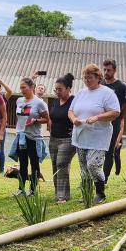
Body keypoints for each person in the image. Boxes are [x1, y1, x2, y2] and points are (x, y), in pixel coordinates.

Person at [69, 64, 121, 204]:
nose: (87, 80)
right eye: (85, 78)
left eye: (90, 78)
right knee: (84, 166)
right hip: (81, 134)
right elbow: (71, 110)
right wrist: (74, 119)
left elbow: (116, 112)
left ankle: (100, 193)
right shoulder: (81, 93)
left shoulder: (107, 93)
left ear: (98, 77)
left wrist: (98, 117)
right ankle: (86, 193)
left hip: (99, 135)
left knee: (93, 164)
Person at [9, 77, 49, 196]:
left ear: (32, 88)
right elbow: (19, 116)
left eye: (23, 87)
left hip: (34, 137)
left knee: (34, 164)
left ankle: (32, 190)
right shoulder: (19, 101)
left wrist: (35, 120)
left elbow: (47, 119)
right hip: (21, 136)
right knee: (23, 163)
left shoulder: (39, 103)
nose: (21, 90)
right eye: (20, 87)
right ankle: (21, 189)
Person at [48, 73, 77, 203]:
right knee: (55, 165)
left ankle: (63, 196)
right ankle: (57, 192)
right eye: (56, 89)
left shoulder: (74, 101)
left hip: (68, 139)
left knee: (61, 164)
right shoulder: (55, 101)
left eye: (60, 89)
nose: (57, 92)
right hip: (53, 138)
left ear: (68, 88)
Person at [101, 59, 126, 183]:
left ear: (115, 70)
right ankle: (96, 177)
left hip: (114, 123)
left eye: (109, 70)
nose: (106, 72)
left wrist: (119, 118)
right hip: (99, 122)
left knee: (109, 151)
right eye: (104, 70)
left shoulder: (122, 87)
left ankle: (104, 179)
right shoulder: (100, 84)